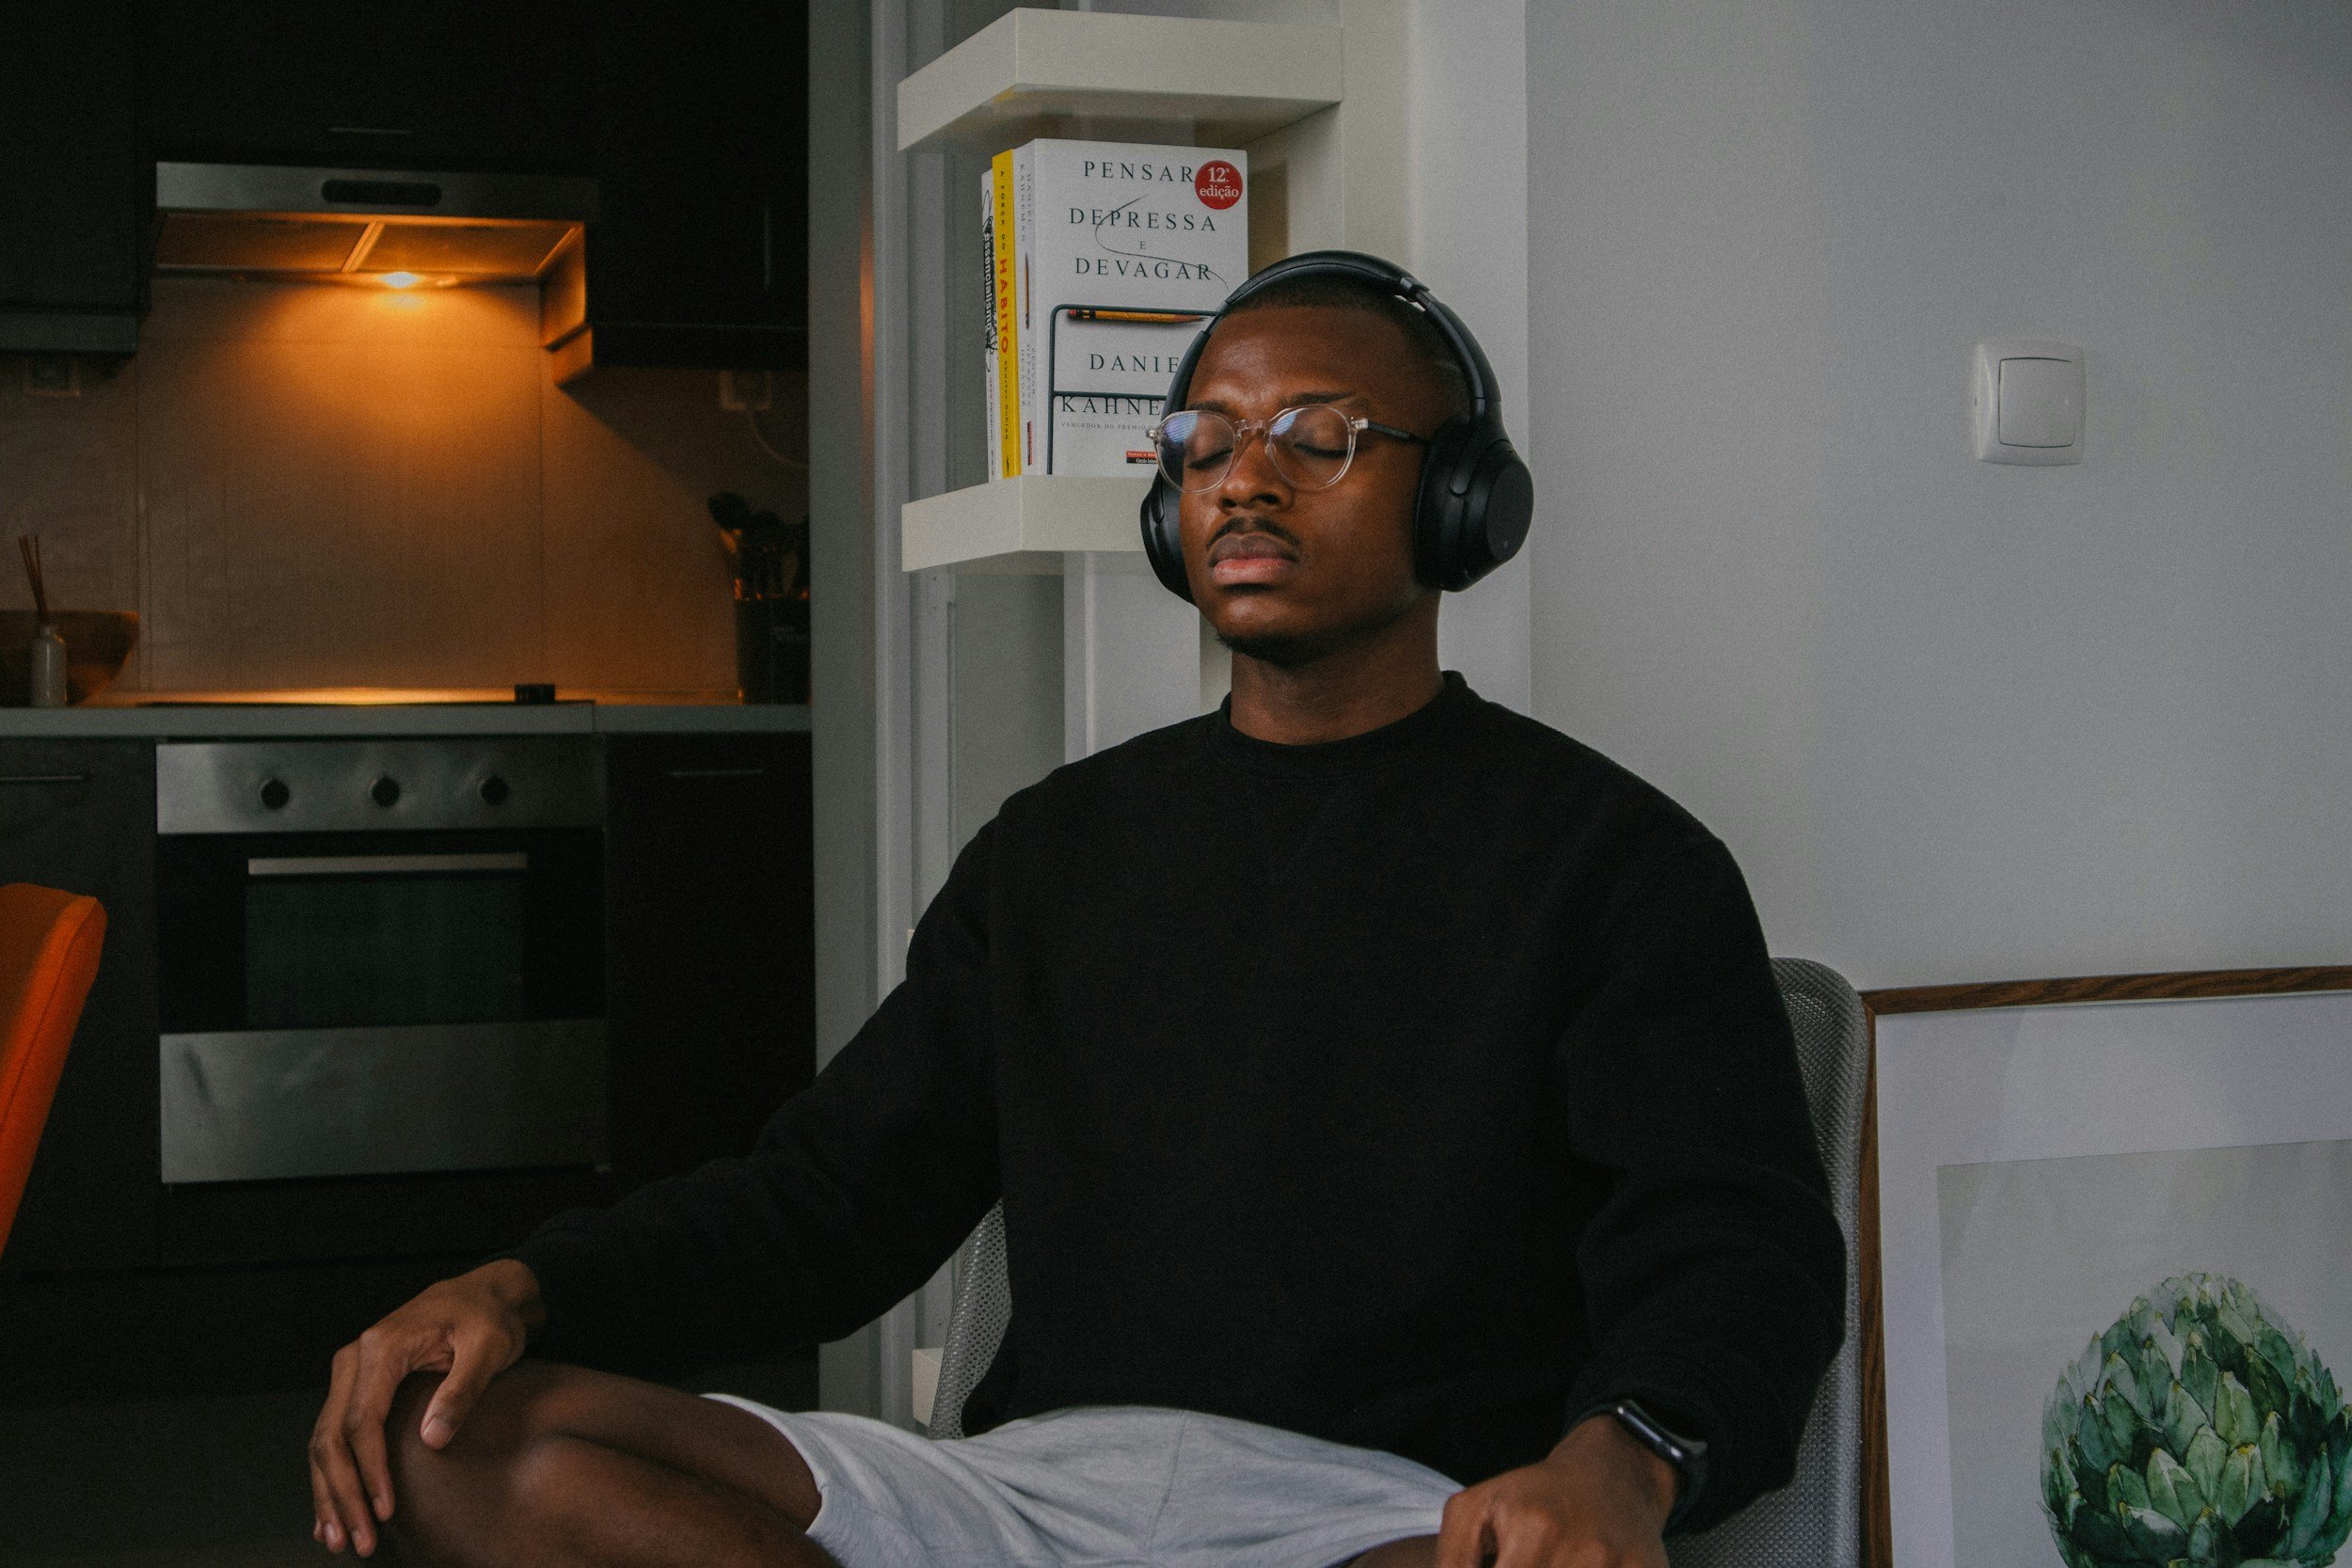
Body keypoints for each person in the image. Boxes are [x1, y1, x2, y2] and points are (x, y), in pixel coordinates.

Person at [306, 253, 1845, 1568]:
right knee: (447, 1439)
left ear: (1460, 502)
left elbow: (1741, 1248)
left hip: (1375, 1520)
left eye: (1320, 435)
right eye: (1207, 438)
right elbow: (831, 1199)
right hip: (1025, 1502)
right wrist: (521, 1286)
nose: (1246, 475)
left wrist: (1624, 1457)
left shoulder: (1615, 861)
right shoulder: (1055, 851)